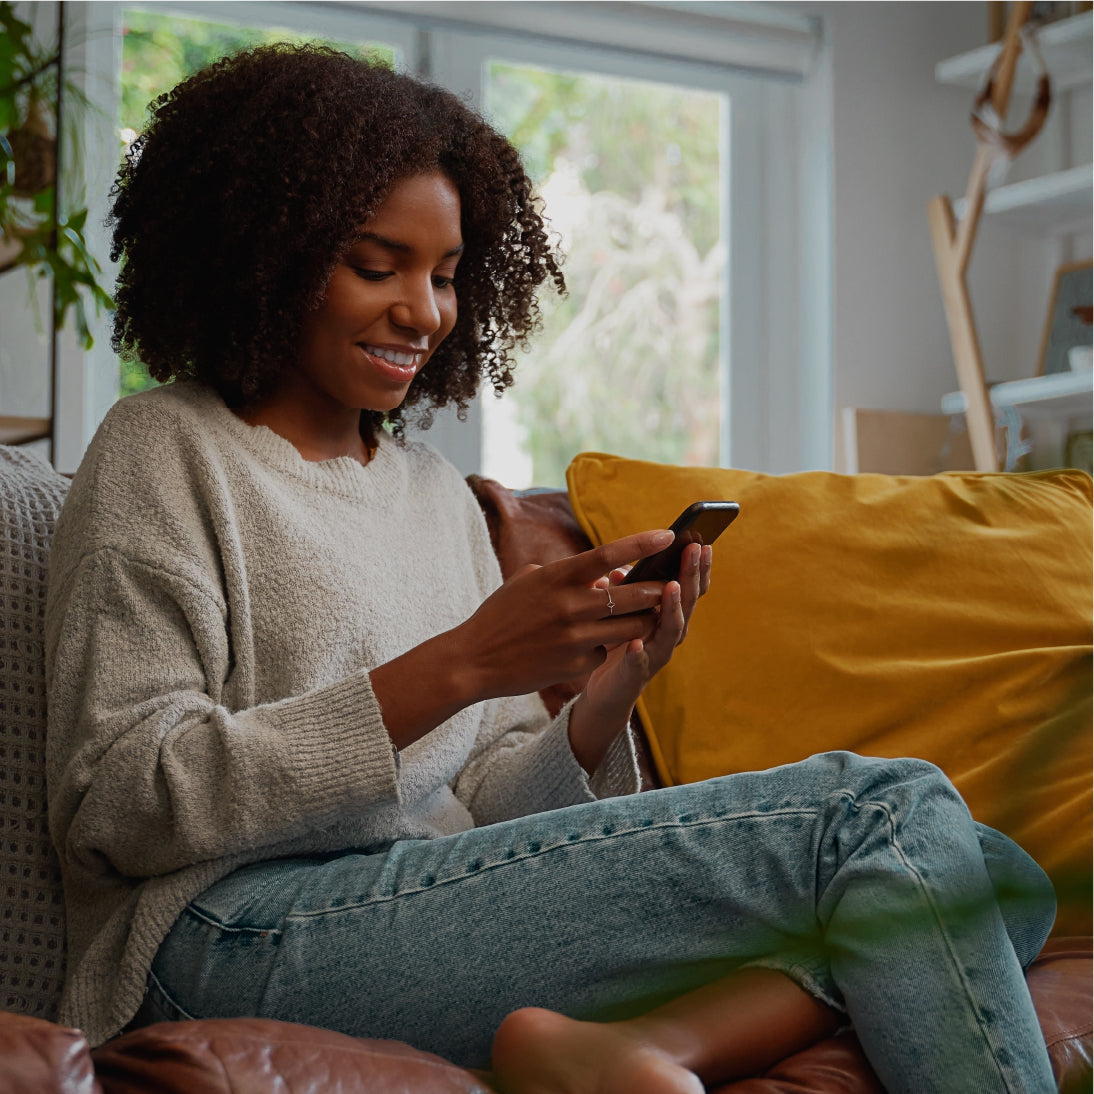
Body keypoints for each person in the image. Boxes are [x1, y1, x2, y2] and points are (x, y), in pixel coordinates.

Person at [44, 44, 1057, 1094]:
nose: (423, 313)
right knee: (883, 818)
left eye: (443, 276)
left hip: (412, 905)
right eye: (375, 264)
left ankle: (658, 1047)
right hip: (224, 929)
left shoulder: (432, 491)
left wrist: (603, 695)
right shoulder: (163, 450)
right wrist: (459, 663)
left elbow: (489, 801)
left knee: (992, 875)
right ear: (267, 246)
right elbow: (114, 800)